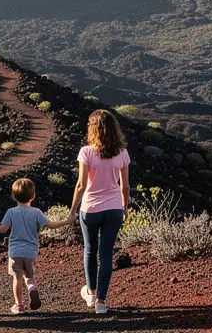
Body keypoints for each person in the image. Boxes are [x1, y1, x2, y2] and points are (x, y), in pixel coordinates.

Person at [68, 109, 130, 315]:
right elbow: (125, 186)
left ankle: (91, 293)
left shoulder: (86, 152)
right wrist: (125, 207)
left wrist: (72, 211)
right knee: (106, 255)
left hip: (91, 209)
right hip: (113, 209)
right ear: (114, 129)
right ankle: (101, 303)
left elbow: (81, 185)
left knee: (89, 250)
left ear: (93, 129)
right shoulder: (122, 153)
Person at [0, 178, 77, 314]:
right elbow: (50, 225)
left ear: (13, 196)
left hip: (15, 252)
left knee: (17, 278)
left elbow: (3, 229)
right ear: (33, 196)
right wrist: (67, 221)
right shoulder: (36, 212)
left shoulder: (11, 212)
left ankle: (19, 305)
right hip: (30, 252)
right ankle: (32, 290)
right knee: (30, 277)